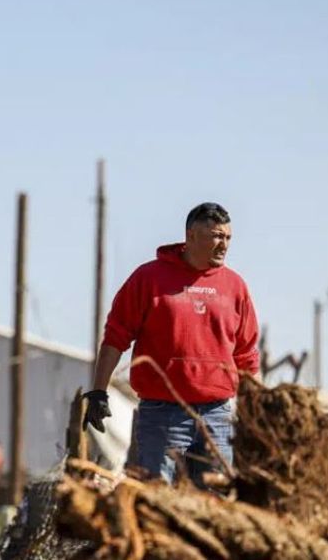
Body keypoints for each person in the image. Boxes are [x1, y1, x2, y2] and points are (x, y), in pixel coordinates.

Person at [83, 202, 260, 485]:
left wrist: (254, 411)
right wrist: (98, 392)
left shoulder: (235, 287)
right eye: (215, 236)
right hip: (162, 414)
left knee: (217, 499)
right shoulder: (149, 279)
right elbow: (116, 336)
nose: (223, 244)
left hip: (217, 415)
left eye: (227, 238)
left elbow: (247, 354)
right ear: (190, 236)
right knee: (156, 494)